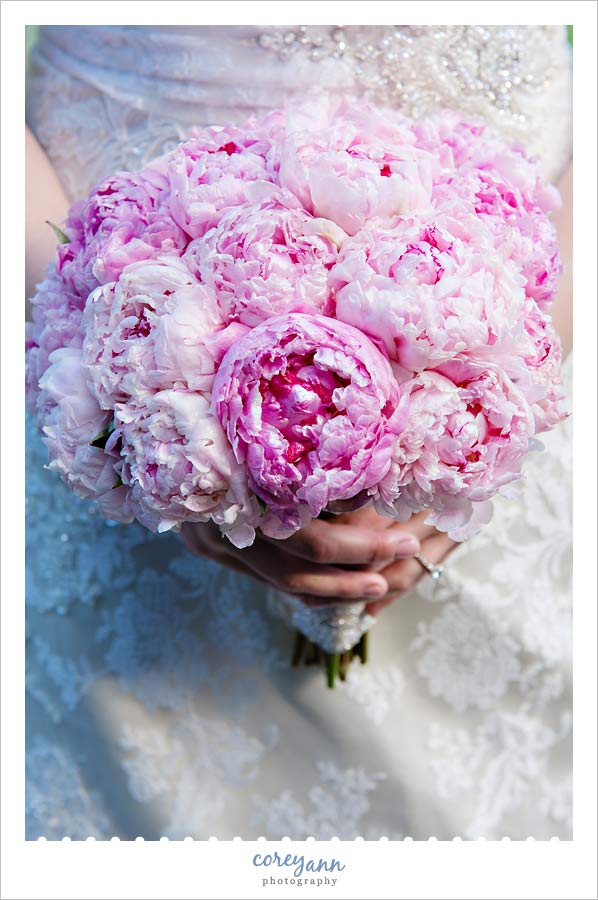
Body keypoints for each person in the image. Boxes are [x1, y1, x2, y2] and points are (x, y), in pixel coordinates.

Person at [25, 24, 572, 840]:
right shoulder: (131, 380)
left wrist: (501, 377)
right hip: (114, 348)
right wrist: (154, 421)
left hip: (520, 348)